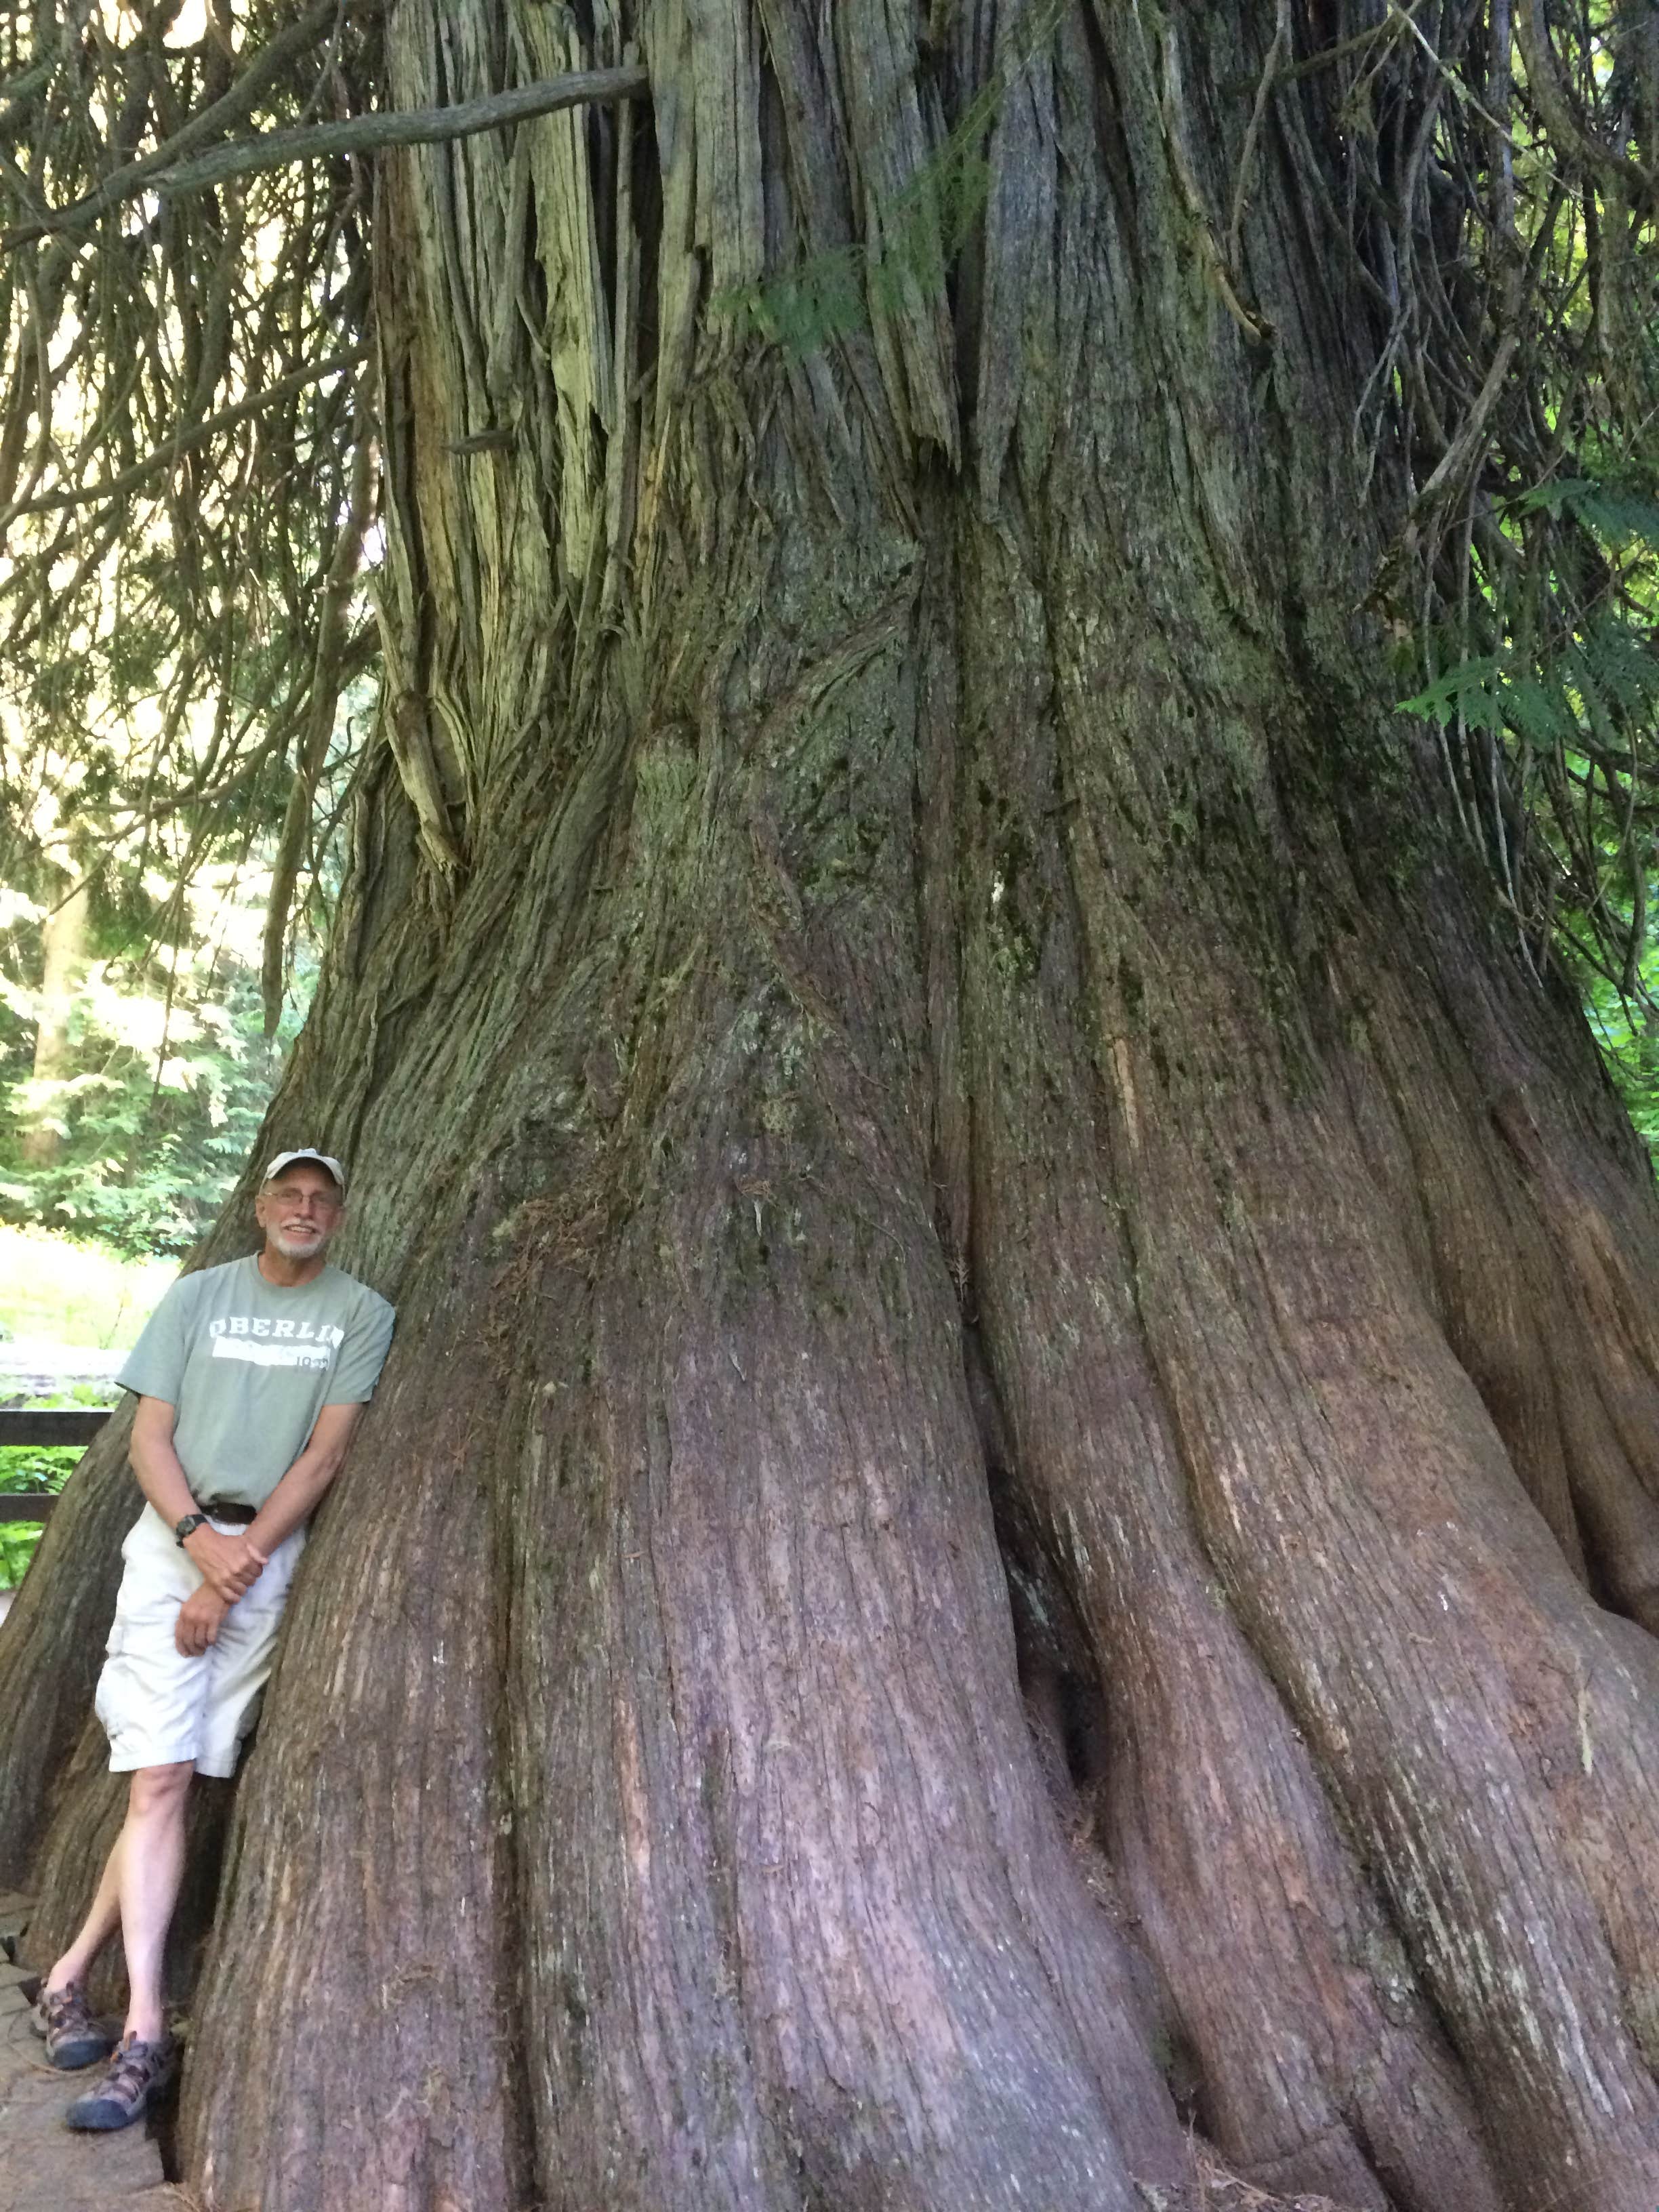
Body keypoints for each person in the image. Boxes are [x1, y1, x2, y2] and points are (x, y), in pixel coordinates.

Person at [29, 1148, 394, 2132]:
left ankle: (67, 1972)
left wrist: (240, 1565)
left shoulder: (359, 1312)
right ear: (261, 1207)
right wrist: (200, 1547)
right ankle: (143, 2029)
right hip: (172, 1544)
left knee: (172, 1775)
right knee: (155, 1778)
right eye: (290, 1195)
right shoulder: (197, 1298)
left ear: (340, 1215)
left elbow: (325, 1455)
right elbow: (150, 1435)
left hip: (266, 1556)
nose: (305, 1209)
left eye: (323, 1198)